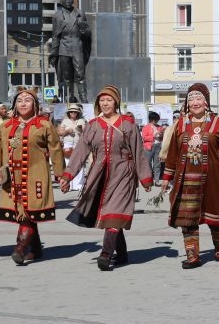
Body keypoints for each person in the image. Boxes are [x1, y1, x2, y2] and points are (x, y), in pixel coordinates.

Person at [60, 86, 152, 271]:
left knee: (115, 211)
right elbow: (80, 152)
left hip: (124, 172)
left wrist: (145, 177)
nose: (105, 103)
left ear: (116, 102)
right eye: (102, 100)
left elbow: (138, 151)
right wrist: (68, 175)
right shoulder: (93, 125)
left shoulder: (128, 124)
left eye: (109, 100)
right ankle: (122, 254)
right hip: (100, 174)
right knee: (110, 215)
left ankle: (105, 254)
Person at [162, 83, 219, 269]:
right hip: (186, 180)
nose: (195, 103)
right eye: (191, 99)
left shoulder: (217, 123)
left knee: (216, 218)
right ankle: (193, 256)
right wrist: (166, 177)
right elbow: (172, 153)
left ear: (206, 102)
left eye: (199, 99)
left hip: (213, 179)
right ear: (187, 103)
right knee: (187, 220)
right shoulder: (180, 124)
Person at [0, 87, 65, 265]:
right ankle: (35, 248)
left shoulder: (43, 125)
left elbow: (56, 149)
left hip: (36, 176)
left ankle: (20, 248)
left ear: (35, 104)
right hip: (12, 177)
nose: (23, 103)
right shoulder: (5, 126)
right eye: (20, 100)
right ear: (14, 104)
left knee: (29, 211)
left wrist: (60, 174)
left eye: (27, 100)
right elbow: (0, 151)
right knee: (23, 213)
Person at [49, 0, 91, 103]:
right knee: (66, 76)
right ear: (61, 2)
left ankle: (84, 99)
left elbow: (88, 34)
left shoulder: (80, 13)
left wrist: (84, 29)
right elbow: (55, 36)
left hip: (77, 47)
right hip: (64, 48)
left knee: (80, 74)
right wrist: (53, 53)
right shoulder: (57, 16)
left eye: (70, 0)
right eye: (66, 0)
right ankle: (69, 97)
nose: (69, 1)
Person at [57, 103, 86, 192]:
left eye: (75, 112)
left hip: (78, 143)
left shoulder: (81, 120)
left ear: (78, 113)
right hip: (68, 144)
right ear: (69, 113)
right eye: (71, 112)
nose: (73, 113)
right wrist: (67, 131)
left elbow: (86, 132)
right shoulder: (65, 121)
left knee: (79, 163)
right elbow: (59, 132)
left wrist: (80, 129)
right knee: (68, 164)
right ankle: (68, 184)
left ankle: (78, 184)